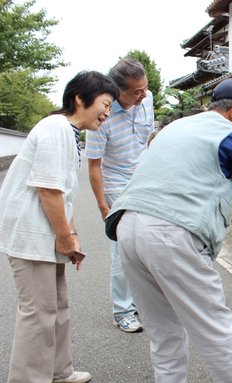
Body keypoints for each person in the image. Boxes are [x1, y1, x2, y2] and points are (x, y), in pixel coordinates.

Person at [106, 78, 232, 383]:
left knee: (163, 332)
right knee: (217, 332)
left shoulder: (173, 128)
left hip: (127, 226)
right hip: (172, 233)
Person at [0, 71, 119, 383]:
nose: (107, 113)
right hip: (32, 235)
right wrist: (66, 239)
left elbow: (62, 194)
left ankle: (57, 371)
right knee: (38, 312)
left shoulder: (67, 131)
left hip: (44, 235)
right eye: (105, 104)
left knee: (56, 306)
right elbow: (49, 191)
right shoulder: (55, 128)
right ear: (80, 99)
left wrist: (72, 236)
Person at [86, 57, 154, 333]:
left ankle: (138, 302)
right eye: (135, 92)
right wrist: (103, 204)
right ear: (117, 90)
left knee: (146, 245)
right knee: (122, 249)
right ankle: (122, 310)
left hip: (144, 183)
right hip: (116, 186)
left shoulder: (146, 100)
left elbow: (148, 139)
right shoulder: (101, 115)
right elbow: (93, 165)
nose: (142, 96)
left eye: (144, 89)